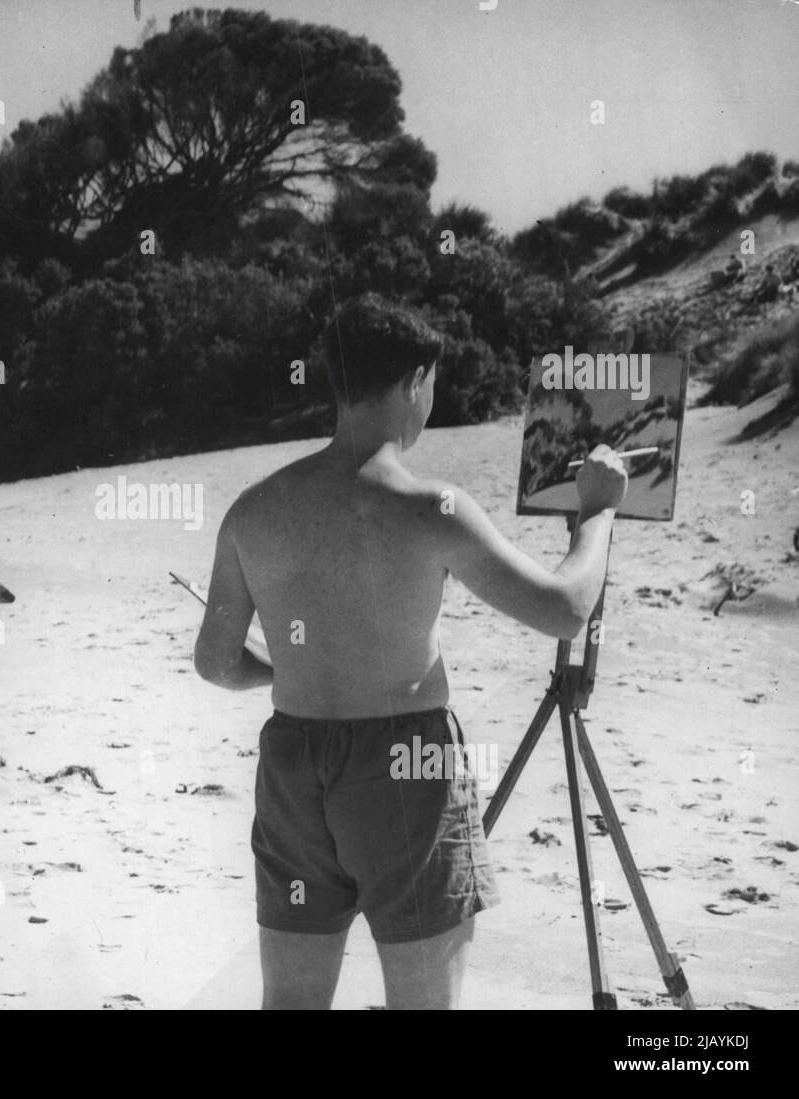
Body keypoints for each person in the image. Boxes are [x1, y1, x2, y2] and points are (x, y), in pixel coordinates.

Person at [193, 295, 628, 1010]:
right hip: (404, 763)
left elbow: (214, 661)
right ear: (415, 381)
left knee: (292, 999)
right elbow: (564, 608)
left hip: (293, 763)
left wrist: (295, 669)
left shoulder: (254, 510)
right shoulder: (431, 508)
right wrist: (598, 515)